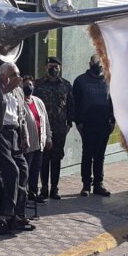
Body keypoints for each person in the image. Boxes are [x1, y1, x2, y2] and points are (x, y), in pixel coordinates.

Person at [0, 62, 34, 235]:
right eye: (13, 74)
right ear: (3, 75)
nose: (16, 78)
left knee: (23, 169)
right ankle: (6, 213)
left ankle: (19, 214)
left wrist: (24, 135)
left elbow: (22, 116)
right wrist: (4, 90)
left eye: (17, 74)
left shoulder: (18, 90)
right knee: (12, 170)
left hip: (14, 133)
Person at [72, 54, 115, 197]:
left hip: (103, 124)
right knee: (87, 154)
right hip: (87, 125)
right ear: (90, 63)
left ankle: (98, 184)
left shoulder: (109, 80)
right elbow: (75, 104)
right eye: (95, 61)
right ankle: (86, 185)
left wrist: (113, 121)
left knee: (100, 156)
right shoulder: (80, 81)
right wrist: (78, 122)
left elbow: (114, 102)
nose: (98, 64)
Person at [34, 57, 74, 200]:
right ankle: (44, 187)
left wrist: (69, 123)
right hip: (43, 128)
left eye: (57, 66)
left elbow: (70, 105)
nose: (54, 69)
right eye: (51, 66)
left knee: (56, 159)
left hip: (60, 128)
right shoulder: (37, 85)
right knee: (44, 159)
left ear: (60, 68)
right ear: (46, 68)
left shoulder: (66, 85)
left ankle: (54, 188)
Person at [20, 76, 52, 203]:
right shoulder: (19, 102)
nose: (29, 87)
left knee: (35, 169)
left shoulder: (38, 102)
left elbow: (46, 121)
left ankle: (33, 192)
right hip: (27, 144)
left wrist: (48, 137)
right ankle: (24, 194)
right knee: (25, 169)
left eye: (31, 84)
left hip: (40, 143)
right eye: (26, 84)